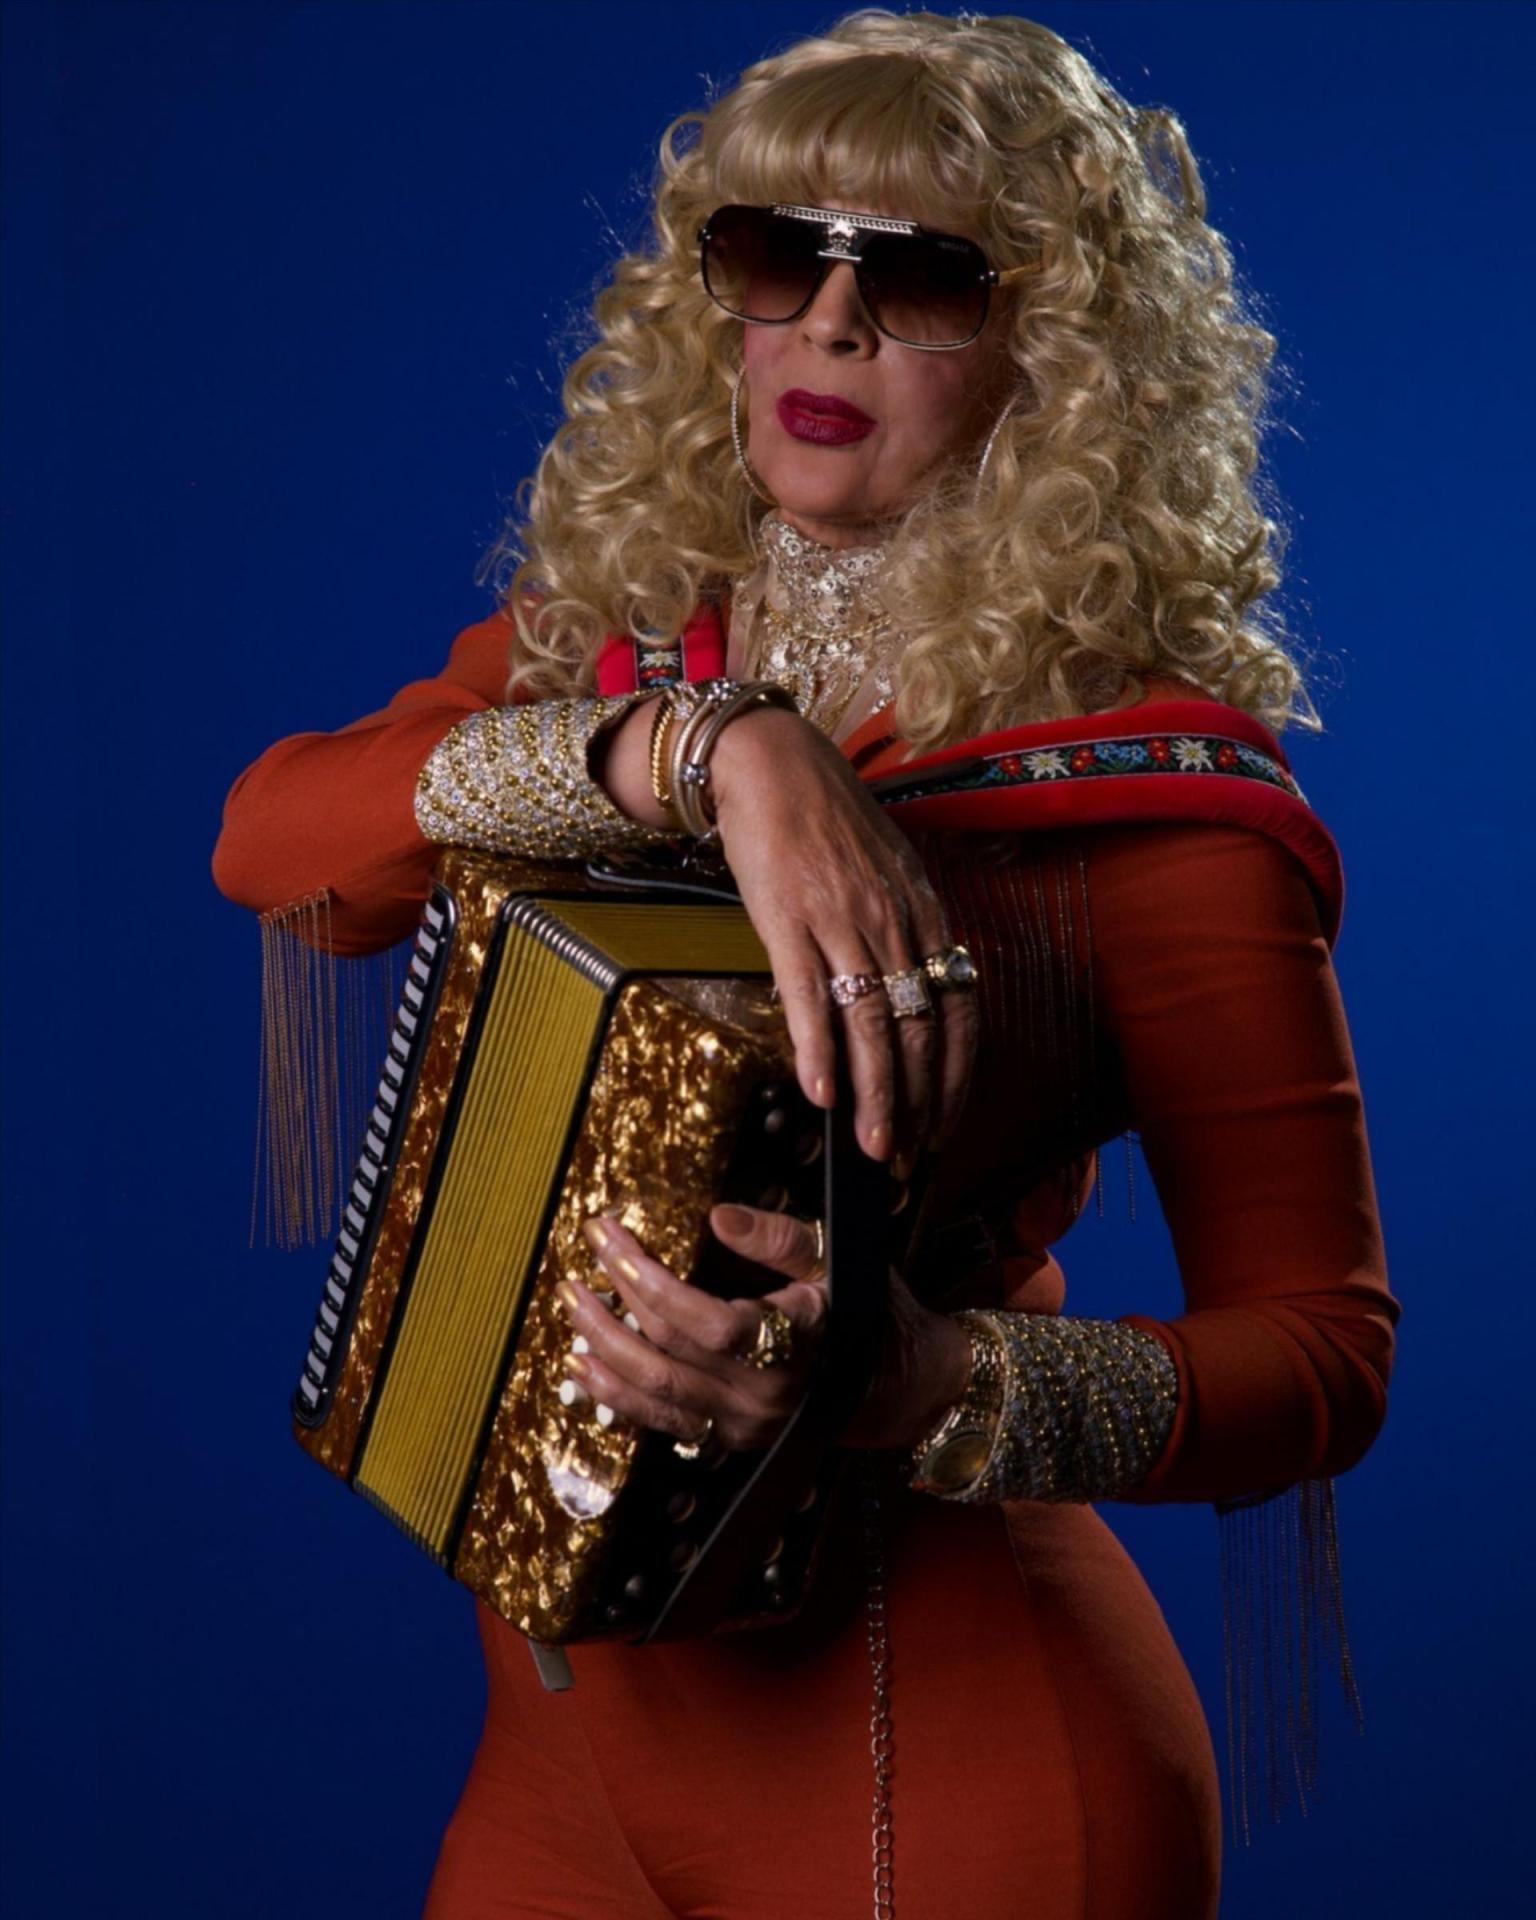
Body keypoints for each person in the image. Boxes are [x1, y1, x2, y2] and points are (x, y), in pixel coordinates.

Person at [211, 11, 1400, 1916]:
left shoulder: (1154, 808)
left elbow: (1327, 1358)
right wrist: (700, 745)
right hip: (557, 1758)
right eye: (781, 254)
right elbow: (273, 851)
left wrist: (923, 1384)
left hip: (946, 1768)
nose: (831, 326)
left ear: (1051, 353)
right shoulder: (618, 647)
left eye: (922, 278)